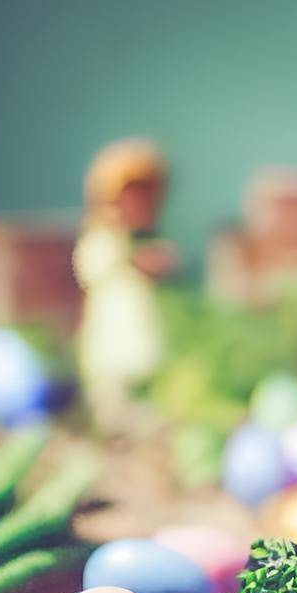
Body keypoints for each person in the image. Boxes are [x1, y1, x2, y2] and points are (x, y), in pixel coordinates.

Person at [72, 137, 177, 435]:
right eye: (133, 196)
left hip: (144, 360)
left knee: (147, 423)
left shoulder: (145, 245)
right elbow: (93, 268)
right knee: (114, 424)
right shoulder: (103, 243)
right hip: (110, 360)